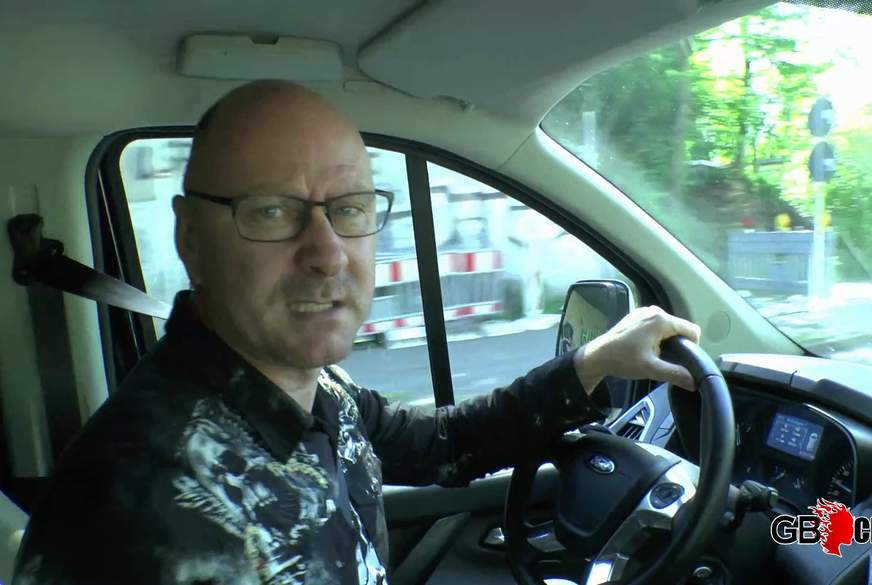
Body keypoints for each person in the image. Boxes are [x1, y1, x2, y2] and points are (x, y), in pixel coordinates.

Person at [12, 80, 700, 585]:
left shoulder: (315, 390)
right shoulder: (138, 514)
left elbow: (444, 444)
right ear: (191, 238)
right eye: (272, 211)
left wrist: (597, 360)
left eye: (348, 208)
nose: (327, 253)